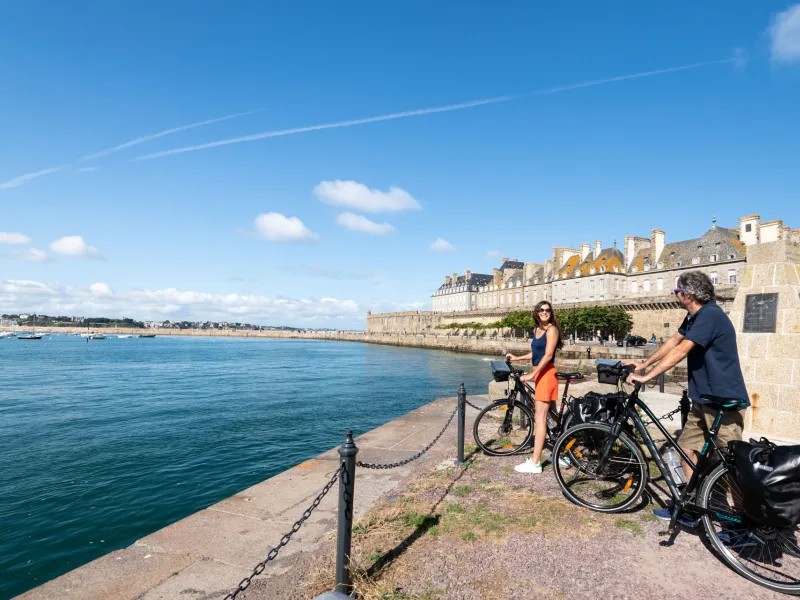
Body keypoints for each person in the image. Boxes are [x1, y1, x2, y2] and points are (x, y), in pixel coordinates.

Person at [626, 271, 749, 527]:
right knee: (686, 449)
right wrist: (643, 364)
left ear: (688, 294)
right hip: (703, 400)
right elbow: (674, 340)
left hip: (724, 403)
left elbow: (683, 349)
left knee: (731, 464)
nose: (676, 296)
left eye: (676, 291)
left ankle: (745, 522)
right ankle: (692, 507)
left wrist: (648, 377)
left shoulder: (710, 315)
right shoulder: (694, 316)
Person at [505, 301, 564, 474]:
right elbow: (536, 353)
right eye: (541, 310)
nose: (544, 312)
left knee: (540, 418)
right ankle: (562, 453)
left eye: (547, 310)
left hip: (546, 375)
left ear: (551, 313)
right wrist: (517, 358)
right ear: (536, 313)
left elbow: (547, 356)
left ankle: (535, 462)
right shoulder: (537, 330)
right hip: (540, 374)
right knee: (553, 418)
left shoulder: (551, 329)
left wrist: (531, 374)